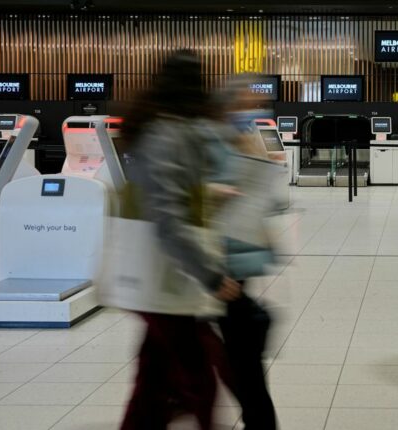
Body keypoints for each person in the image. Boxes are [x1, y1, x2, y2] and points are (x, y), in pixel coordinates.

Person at [118, 50, 243, 429]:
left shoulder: (157, 126)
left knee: (152, 379)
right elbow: (168, 220)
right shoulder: (169, 133)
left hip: (157, 274)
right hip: (168, 275)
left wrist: (209, 191)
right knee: (198, 379)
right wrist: (210, 275)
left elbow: (168, 198)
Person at [201, 75, 279, 430]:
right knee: (240, 350)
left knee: (238, 346)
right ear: (228, 106)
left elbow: (269, 196)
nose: (253, 109)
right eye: (246, 104)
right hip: (219, 258)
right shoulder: (207, 139)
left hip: (238, 255)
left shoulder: (240, 138)